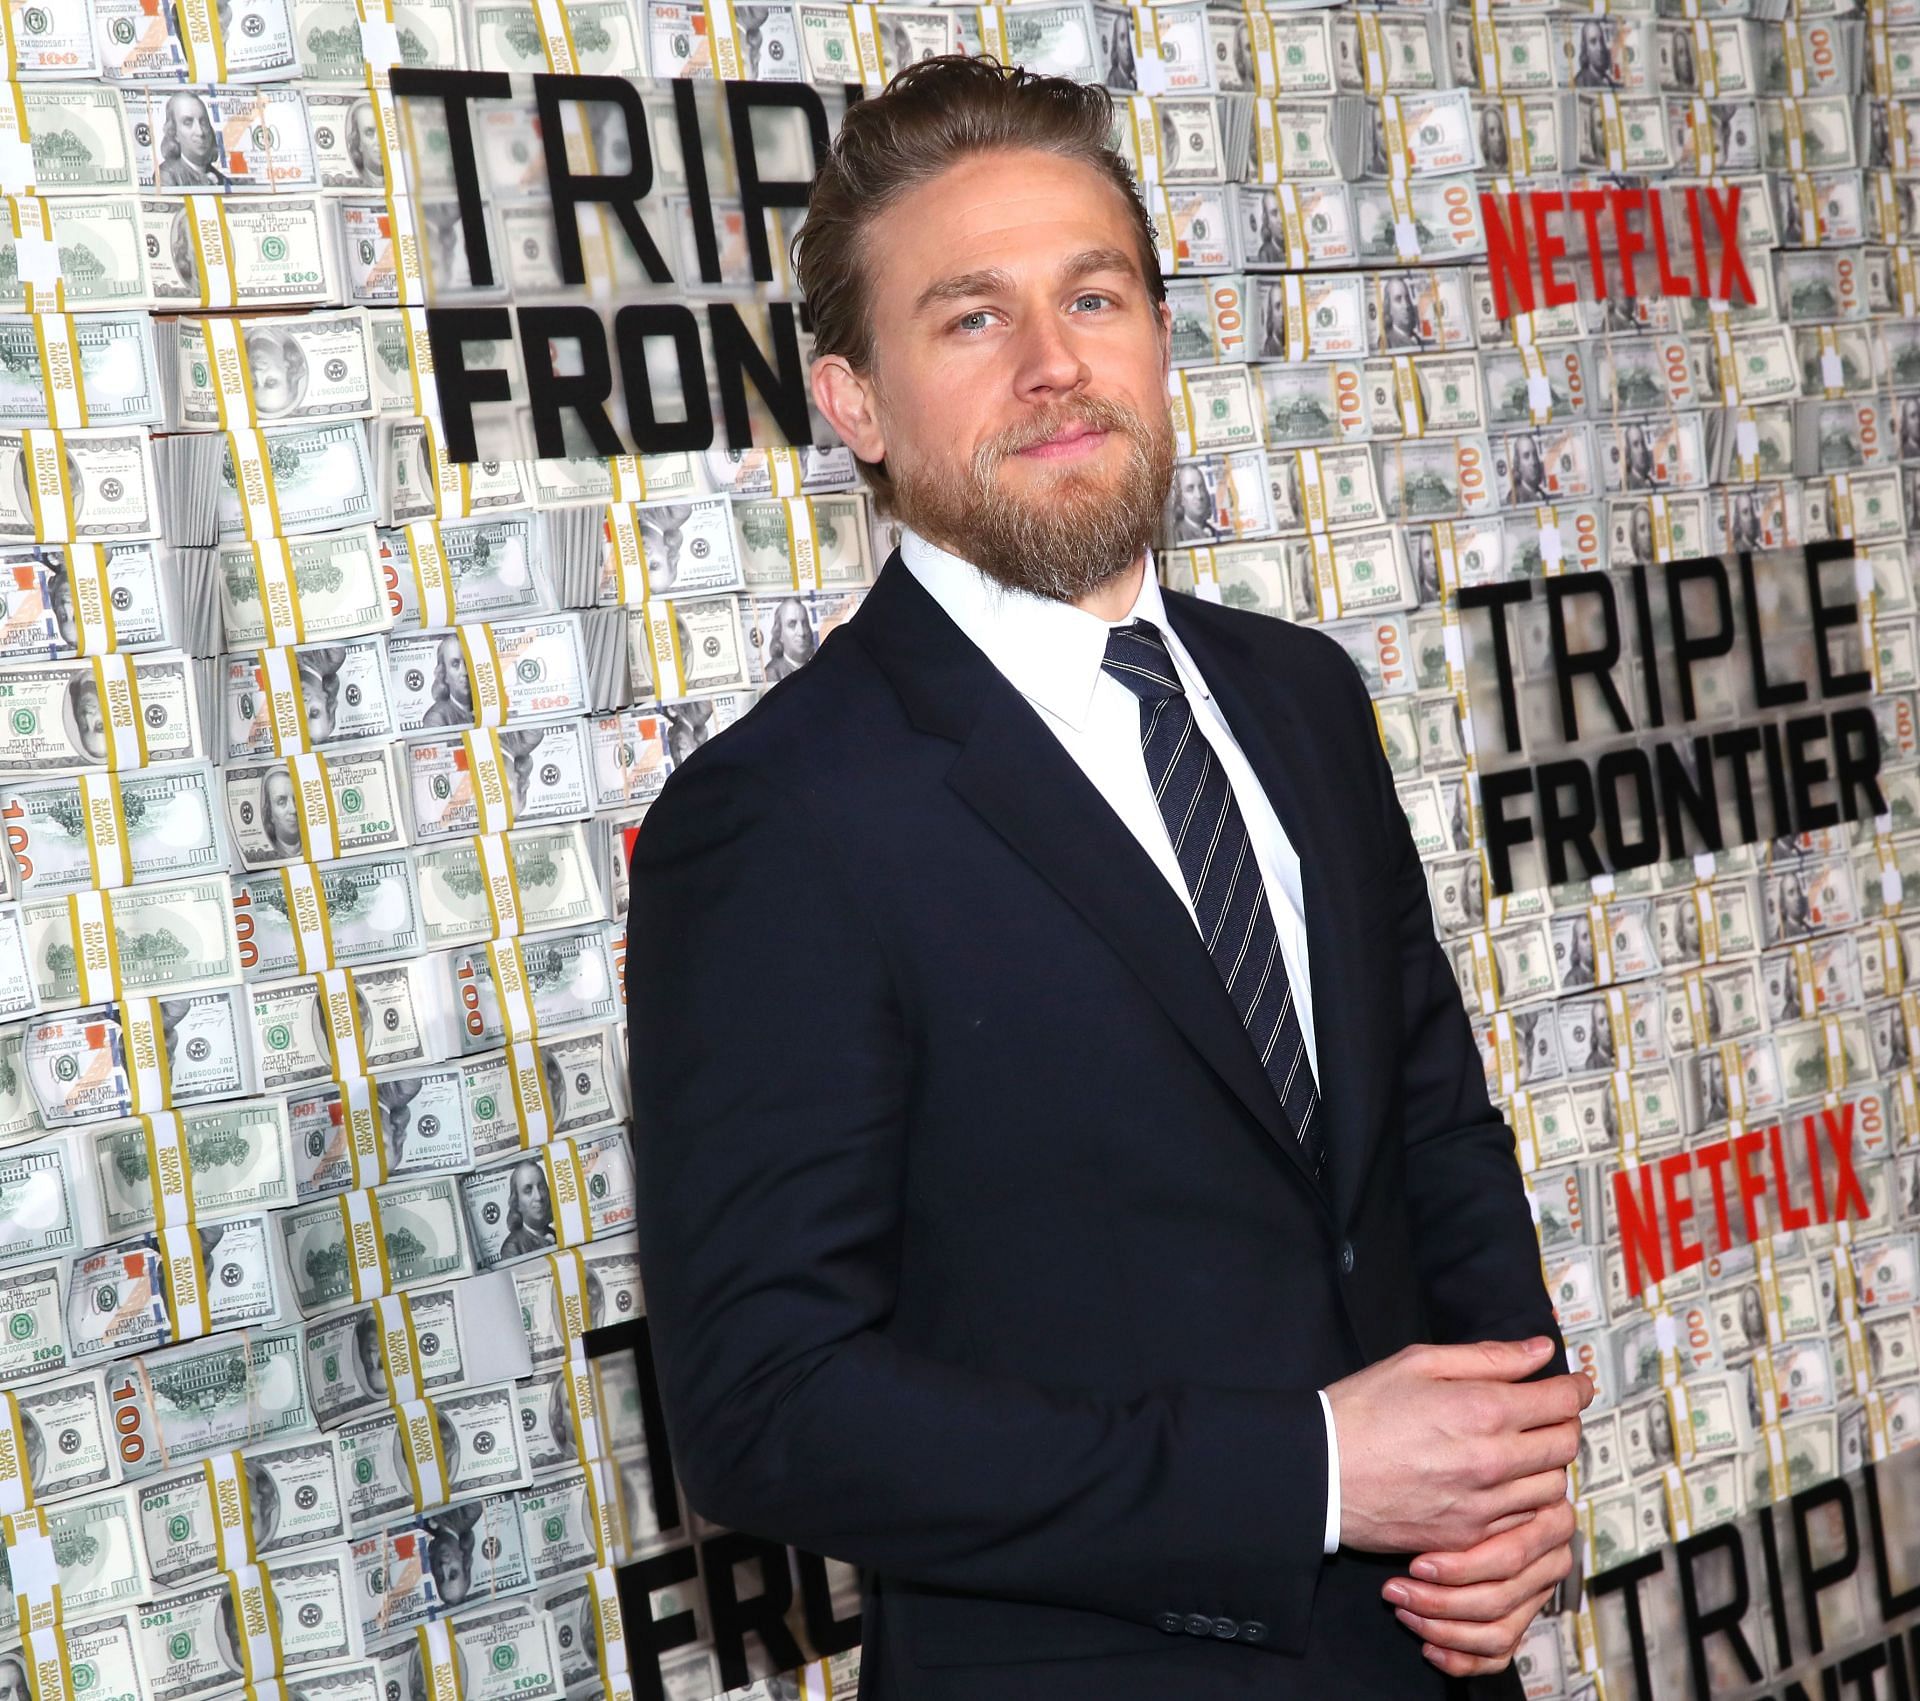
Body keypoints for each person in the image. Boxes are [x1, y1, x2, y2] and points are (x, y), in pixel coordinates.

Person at [629, 57, 1582, 1701]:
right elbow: (769, 1408)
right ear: (854, 401)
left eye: (1095, 295)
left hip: (1436, 1662)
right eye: (972, 319)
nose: (1059, 365)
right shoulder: (782, 816)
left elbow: (1431, 1133)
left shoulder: (1301, 696)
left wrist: (1508, 1479)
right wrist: (1314, 1474)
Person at [158, 92, 232, 188]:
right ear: (174, 132)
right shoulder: (166, 175)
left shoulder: (222, 179)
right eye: (188, 122)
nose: (200, 132)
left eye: (203, 122)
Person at [500, 1157, 556, 1258]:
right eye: (528, 1190)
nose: (538, 1197)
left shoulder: (556, 1234)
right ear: (516, 1203)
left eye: (541, 1187)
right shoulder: (512, 1248)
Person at [759, 595, 816, 682]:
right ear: (779, 634)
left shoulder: (816, 667)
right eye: (792, 624)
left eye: (804, 623)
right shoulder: (772, 673)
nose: (802, 633)